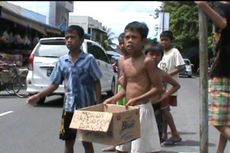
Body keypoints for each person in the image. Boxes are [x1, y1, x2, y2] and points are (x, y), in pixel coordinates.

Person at [27, 25, 102, 153]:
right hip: (68, 108)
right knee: (68, 142)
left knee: (87, 141)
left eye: (72, 37)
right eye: (67, 37)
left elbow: (97, 82)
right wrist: (38, 95)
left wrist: (98, 105)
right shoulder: (62, 61)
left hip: (86, 108)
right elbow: (54, 85)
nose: (69, 40)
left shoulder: (89, 60)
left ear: (81, 40)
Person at [103, 21, 163, 153]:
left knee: (139, 150)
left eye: (134, 37)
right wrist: (113, 98)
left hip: (142, 110)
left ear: (143, 41)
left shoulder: (147, 61)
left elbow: (158, 88)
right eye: (127, 37)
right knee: (121, 149)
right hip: (127, 110)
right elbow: (125, 88)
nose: (129, 41)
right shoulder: (123, 62)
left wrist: (139, 98)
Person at [195, 1, 230, 153]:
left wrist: (204, 6)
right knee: (227, 121)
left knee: (217, 120)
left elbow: (222, 23)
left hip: (222, 71)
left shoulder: (223, 5)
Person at [144, 42, 181, 143]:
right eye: (151, 54)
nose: (154, 57)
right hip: (142, 106)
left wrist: (164, 96)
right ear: (145, 55)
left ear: (161, 57)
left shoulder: (162, 73)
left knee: (156, 136)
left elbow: (176, 85)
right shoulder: (141, 72)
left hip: (156, 107)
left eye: (158, 55)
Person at [102, 33, 129, 152]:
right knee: (117, 118)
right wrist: (115, 95)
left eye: (124, 42)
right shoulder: (120, 60)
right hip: (120, 91)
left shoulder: (137, 59)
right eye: (120, 43)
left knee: (128, 119)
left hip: (130, 93)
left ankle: (127, 144)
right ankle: (115, 144)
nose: (122, 45)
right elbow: (119, 78)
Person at [158, 30, 185, 145]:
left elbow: (181, 67)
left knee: (164, 110)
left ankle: (175, 135)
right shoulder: (160, 53)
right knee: (164, 111)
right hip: (161, 87)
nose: (163, 42)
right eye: (162, 39)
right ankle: (164, 134)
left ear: (171, 41)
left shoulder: (174, 52)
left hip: (170, 87)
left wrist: (166, 76)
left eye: (166, 40)